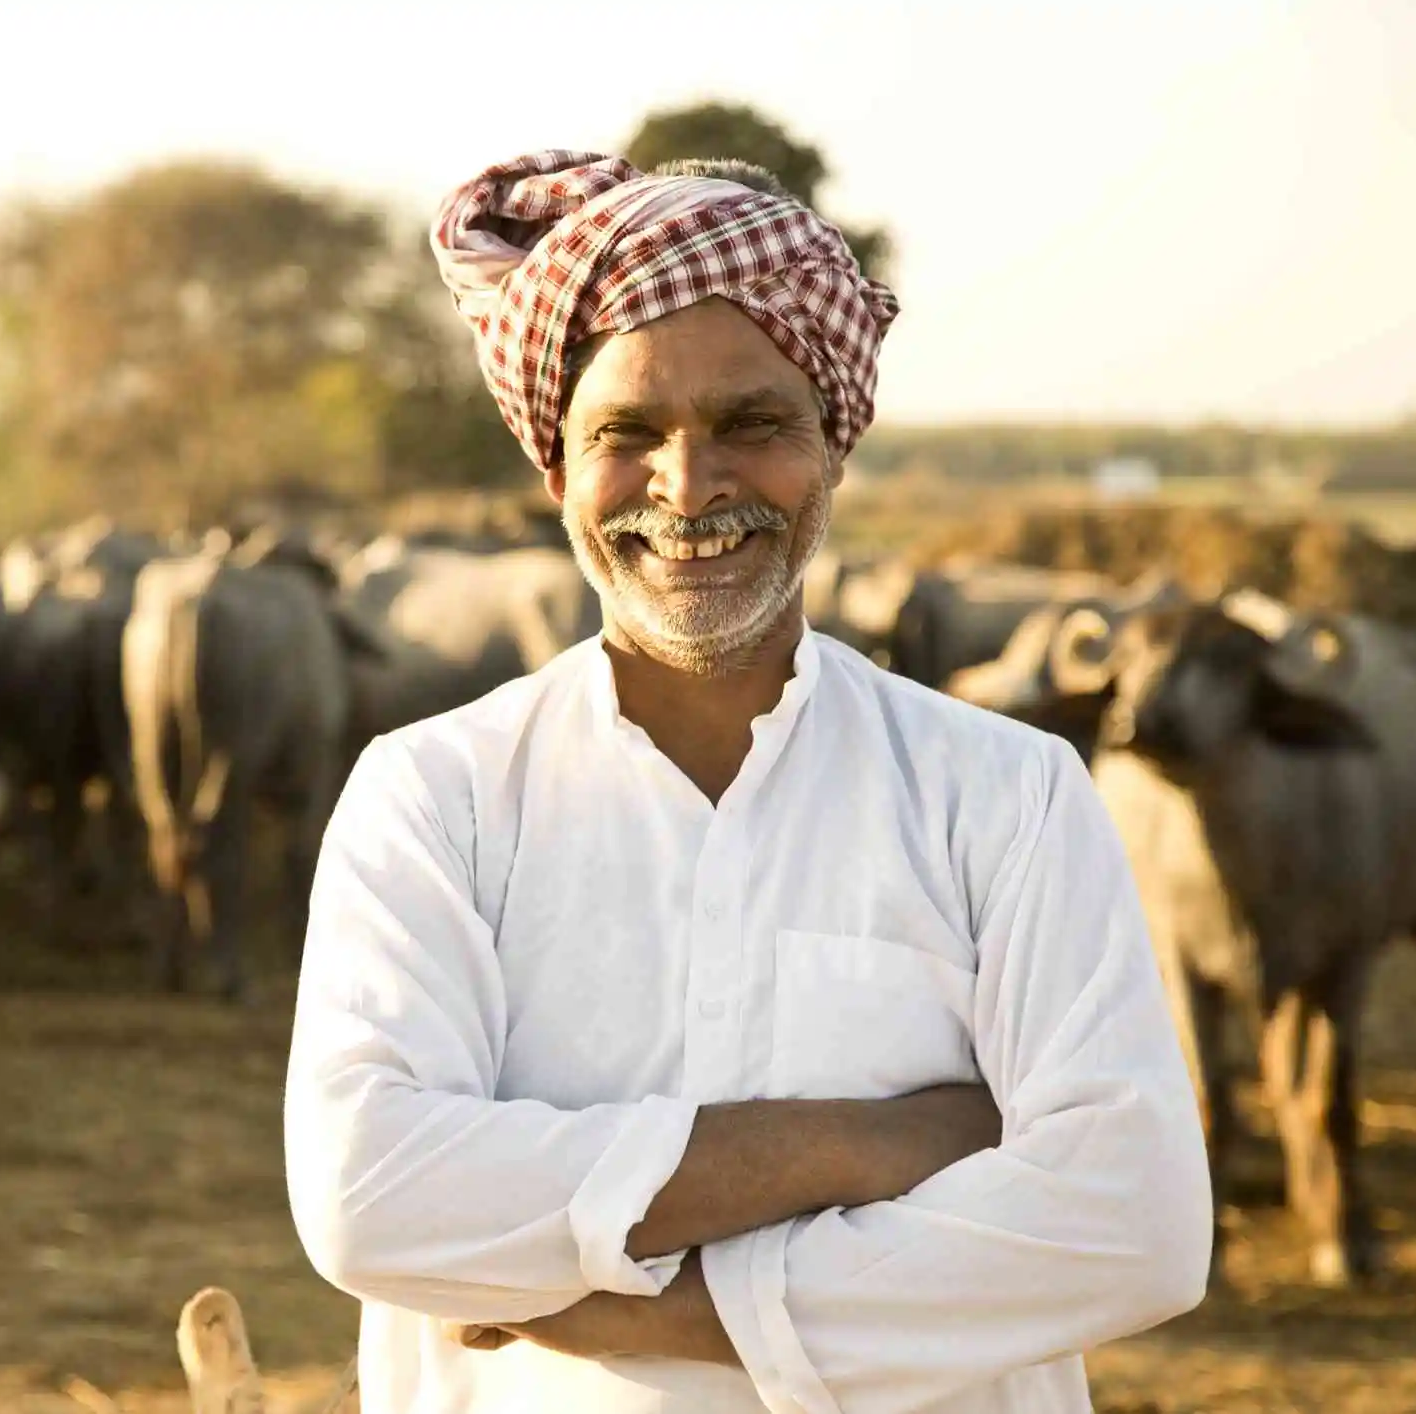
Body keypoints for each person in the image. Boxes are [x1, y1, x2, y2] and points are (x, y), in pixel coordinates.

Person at [283, 149, 1212, 1413]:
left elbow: (1133, 1221)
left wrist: (658, 1308)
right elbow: (371, 1196)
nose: (688, 485)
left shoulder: (1010, 794)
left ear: (834, 448)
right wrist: (876, 1141)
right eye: (626, 433)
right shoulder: (434, 799)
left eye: (752, 423)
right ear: (557, 470)